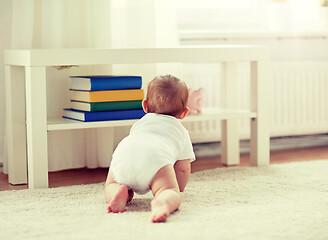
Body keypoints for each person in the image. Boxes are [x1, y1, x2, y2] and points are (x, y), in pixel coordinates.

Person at [104, 74, 196, 223]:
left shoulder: (140, 124)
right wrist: (175, 187)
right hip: (155, 158)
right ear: (184, 113)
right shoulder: (180, 131)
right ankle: (163, 201)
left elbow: (137, 149)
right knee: (169, 192)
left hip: (124, 151)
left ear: (145, 106)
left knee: (112, 183)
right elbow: (183, 169)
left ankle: (118, 192)